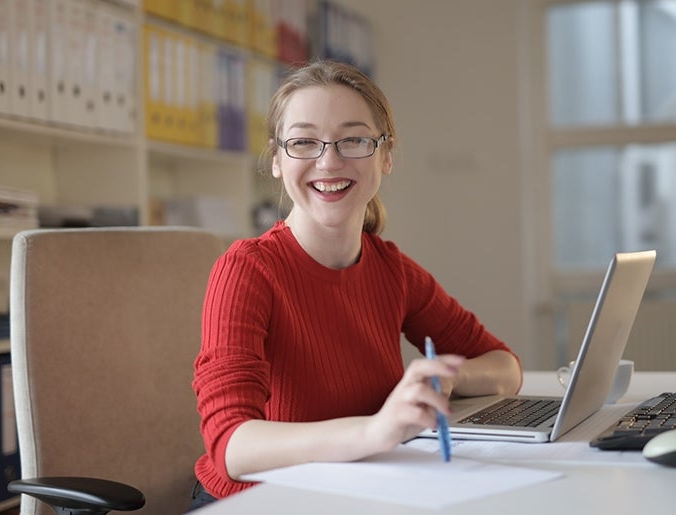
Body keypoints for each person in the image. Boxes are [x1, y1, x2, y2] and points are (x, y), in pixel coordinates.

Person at [189, 60, 522, 509]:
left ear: (385, 156)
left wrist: (444, 378)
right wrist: (376, 430)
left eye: (353, 140)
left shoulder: (392, 269)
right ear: (276, 160)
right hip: (260, 501)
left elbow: (506, 367)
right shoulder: (247, 270)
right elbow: (232, 448)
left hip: (354, 493)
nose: (328, 160)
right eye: (304, 141)